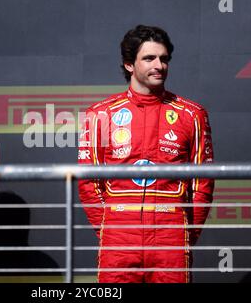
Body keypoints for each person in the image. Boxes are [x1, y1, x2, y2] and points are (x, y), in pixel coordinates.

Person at [78, 25, 214, 283]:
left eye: (164, 59)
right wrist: (110, 228)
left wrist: (185, 233)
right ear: (129, 64)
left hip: (171, 234)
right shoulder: (100, 115)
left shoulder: (192, 114)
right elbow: (88, 183)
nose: (159, 65)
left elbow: (202, 184)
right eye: (149, 58)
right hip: (119, 235)